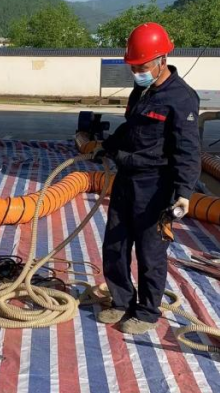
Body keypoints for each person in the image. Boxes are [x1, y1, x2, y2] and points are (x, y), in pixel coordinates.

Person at [95, 22, 200, 334]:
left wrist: (184, 192)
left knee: (150, 251)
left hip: (156, 186)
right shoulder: (141, 90)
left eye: (142, 67)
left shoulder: (181, 98)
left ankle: (147, 311)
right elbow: (131, 128)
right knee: (115, 244)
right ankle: (121, 301)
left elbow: (188, 149)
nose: (137, 72)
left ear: (162, 60)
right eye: (133, 67)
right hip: (127, 178)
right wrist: (106, 146)